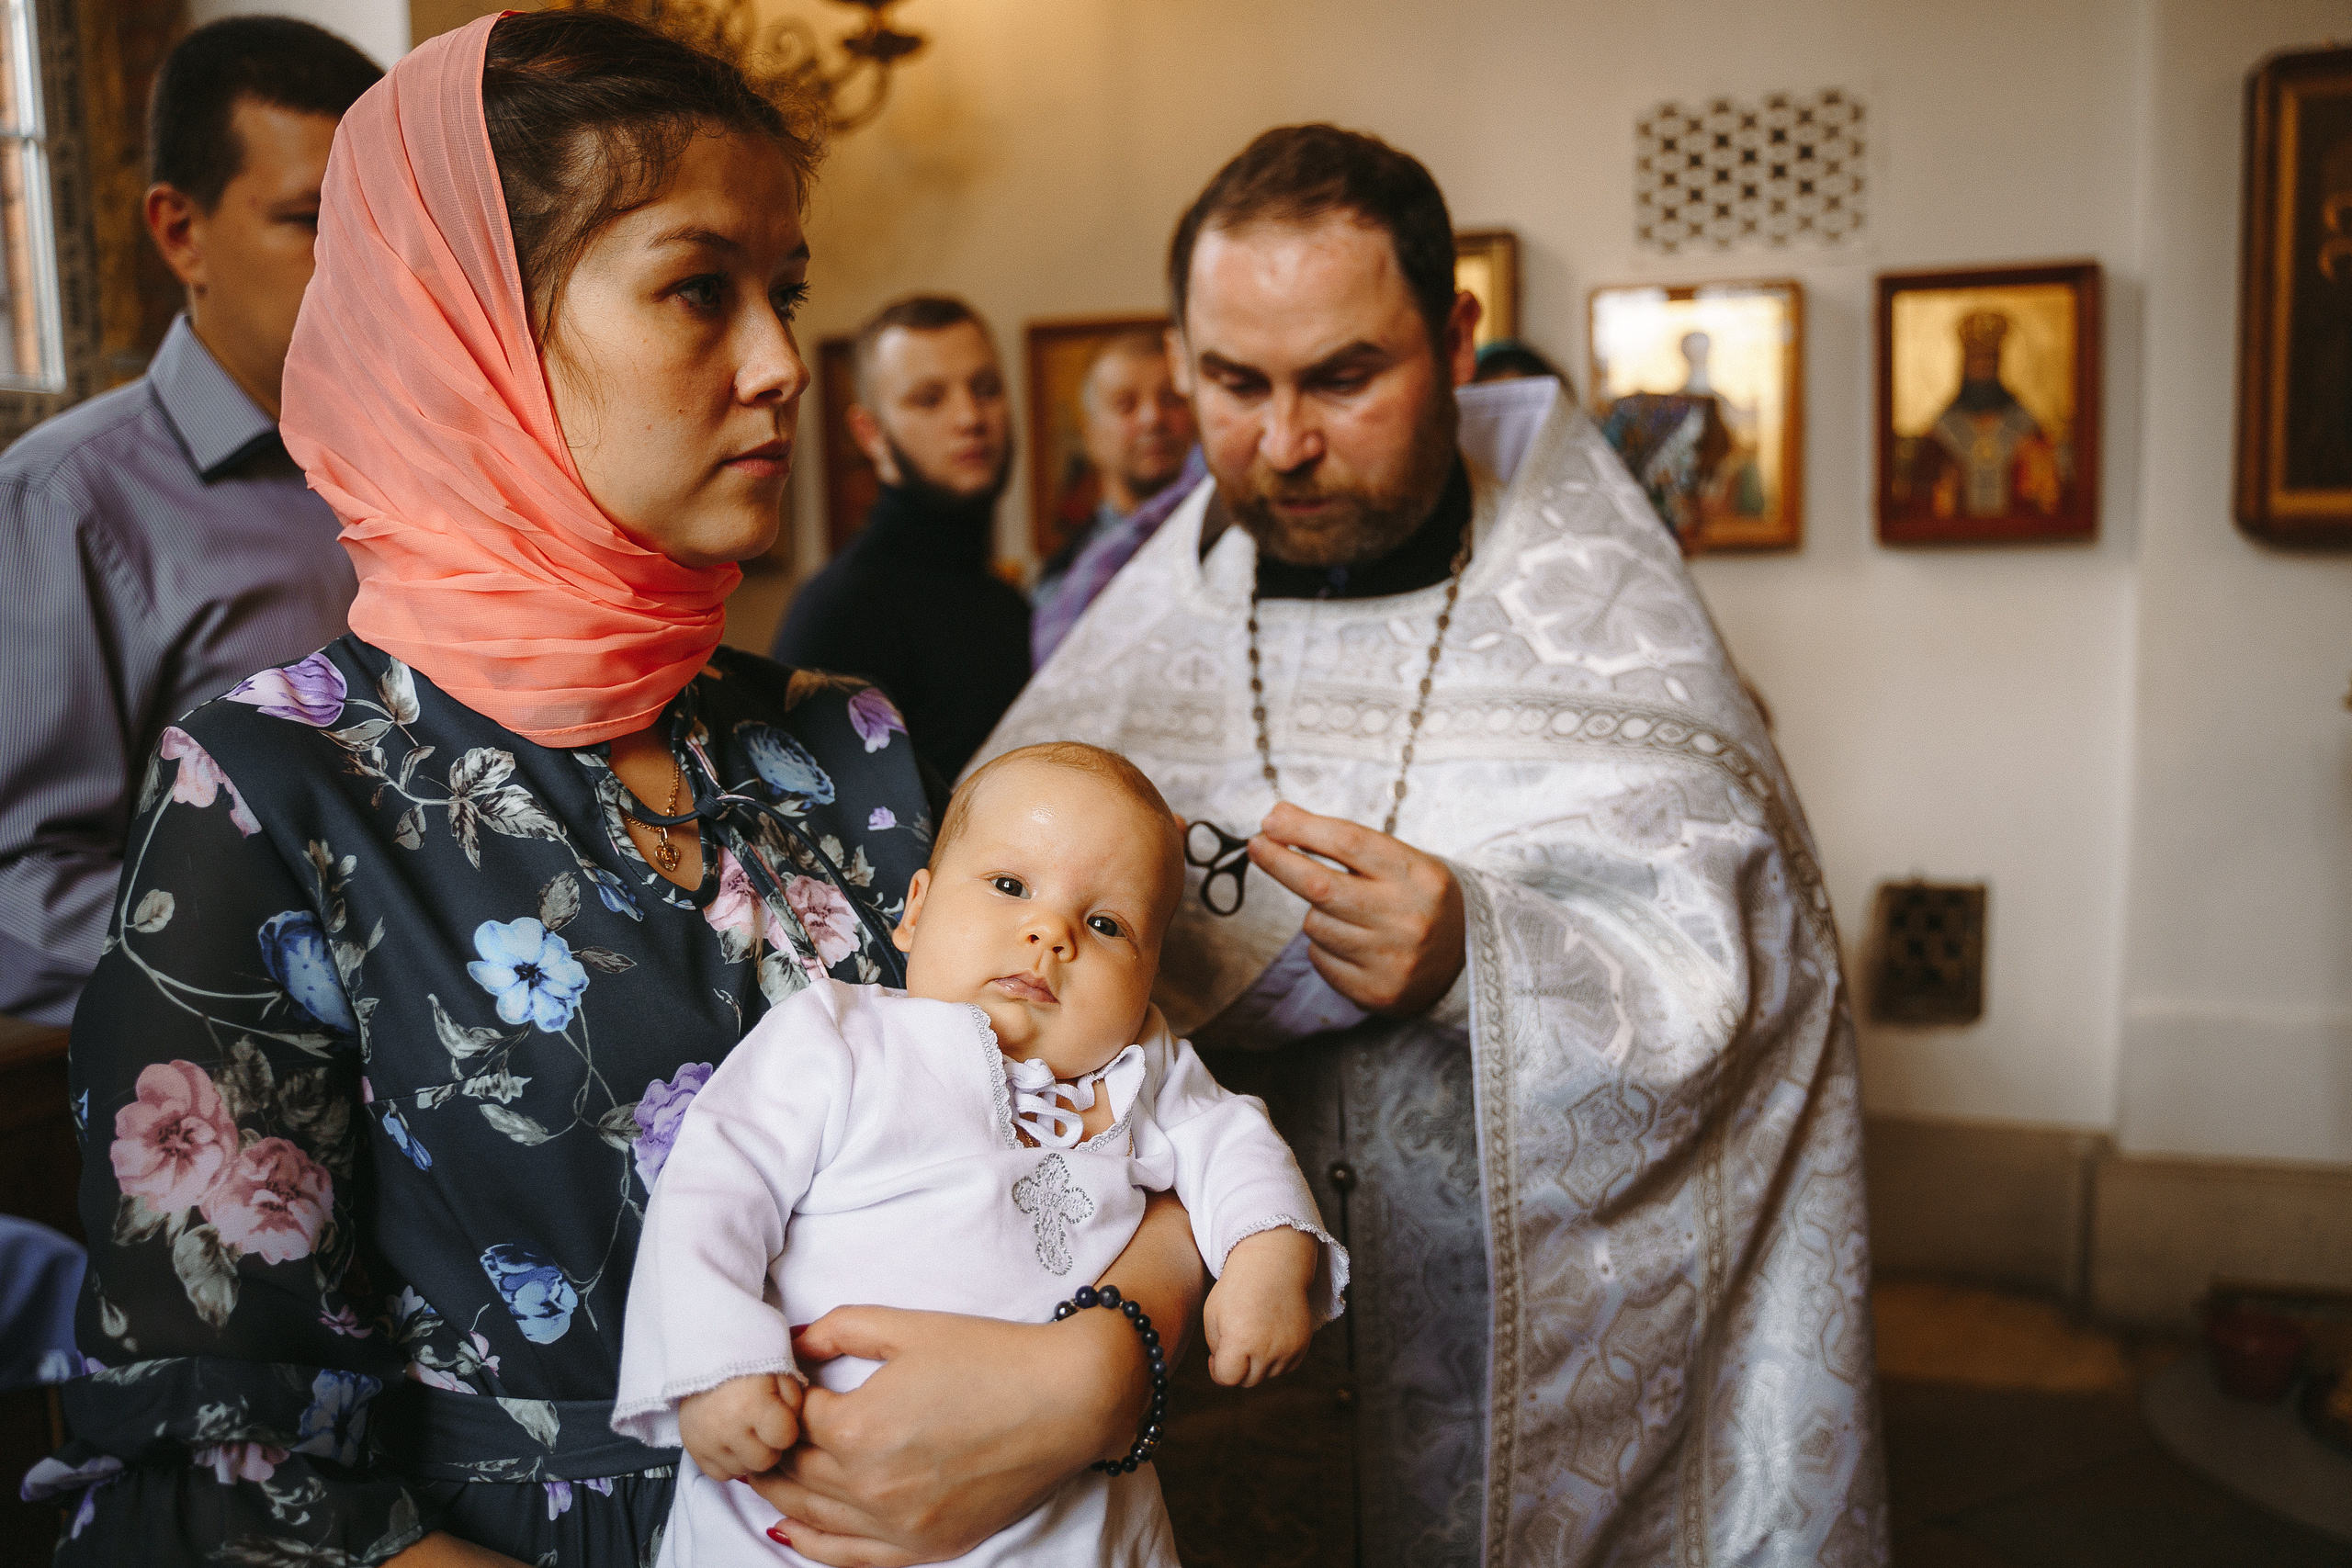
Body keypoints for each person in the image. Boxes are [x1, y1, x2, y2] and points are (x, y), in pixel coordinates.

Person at [34, 16, 1204, 1566]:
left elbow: (1135, 1114)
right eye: (699, 287)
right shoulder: (275, 789)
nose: (786, 360)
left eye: (782, 290)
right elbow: (240, 1460)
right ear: (477, 332)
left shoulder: (832, 741)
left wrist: (1093, 1370)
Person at [978, 124, 1886, 1567]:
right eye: (1235, 382)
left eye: (1344, 377)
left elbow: (1756, 971)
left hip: (1506, 1376)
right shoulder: (1131, 642)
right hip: (1204, 1382)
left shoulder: (1600, 615)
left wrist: (1485, 951)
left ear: (1453, 337)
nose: (1284, 442)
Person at [614, 742, 1341, 1566]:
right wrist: (717, 1363)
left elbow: (1237, 1144)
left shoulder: (1142, 1064)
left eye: (1106, 924)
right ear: (916, 909)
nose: (1050, 931)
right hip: (803, 1496)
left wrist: (1267, 1260)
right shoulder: (841, 1037)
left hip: (1061, 1516)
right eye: (1009, 886)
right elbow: (712, 1192)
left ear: (1148, 979)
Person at [0, 17, 379, 1027]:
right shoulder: (63, 502)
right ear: (181, 231)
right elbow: (22, 882)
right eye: (311, 219)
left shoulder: (444, 463)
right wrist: (290, 997)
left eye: (385, 227)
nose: (369, 268)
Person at [772, 296, 1030, 782]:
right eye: (929, 398)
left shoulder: (1005, 602)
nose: (971, 417)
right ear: (870, 434)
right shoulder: (842, 610)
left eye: (987, 388)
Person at [1030, 333, 1197, 639]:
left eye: (1171, 399)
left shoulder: (1235, 547)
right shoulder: (1064, 585)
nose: (1153, 418)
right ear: (1089, 433)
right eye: (1126, 405)